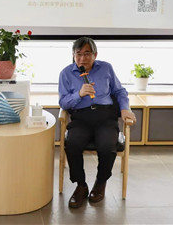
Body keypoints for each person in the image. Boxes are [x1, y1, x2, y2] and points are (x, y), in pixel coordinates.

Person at [58, 37, 136, 208]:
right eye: (78, 54)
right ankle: (81, 185)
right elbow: (63, 102)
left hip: (105, 117)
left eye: (87, 54)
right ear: (73, 55)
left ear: (95, 55)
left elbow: (120, 91)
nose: (82, 58)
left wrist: (125, 108)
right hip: (81, 118)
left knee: (107, 145)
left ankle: (100, 183)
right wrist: (79, 94)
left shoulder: (106, 68)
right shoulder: (66, 73)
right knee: (73, 144)